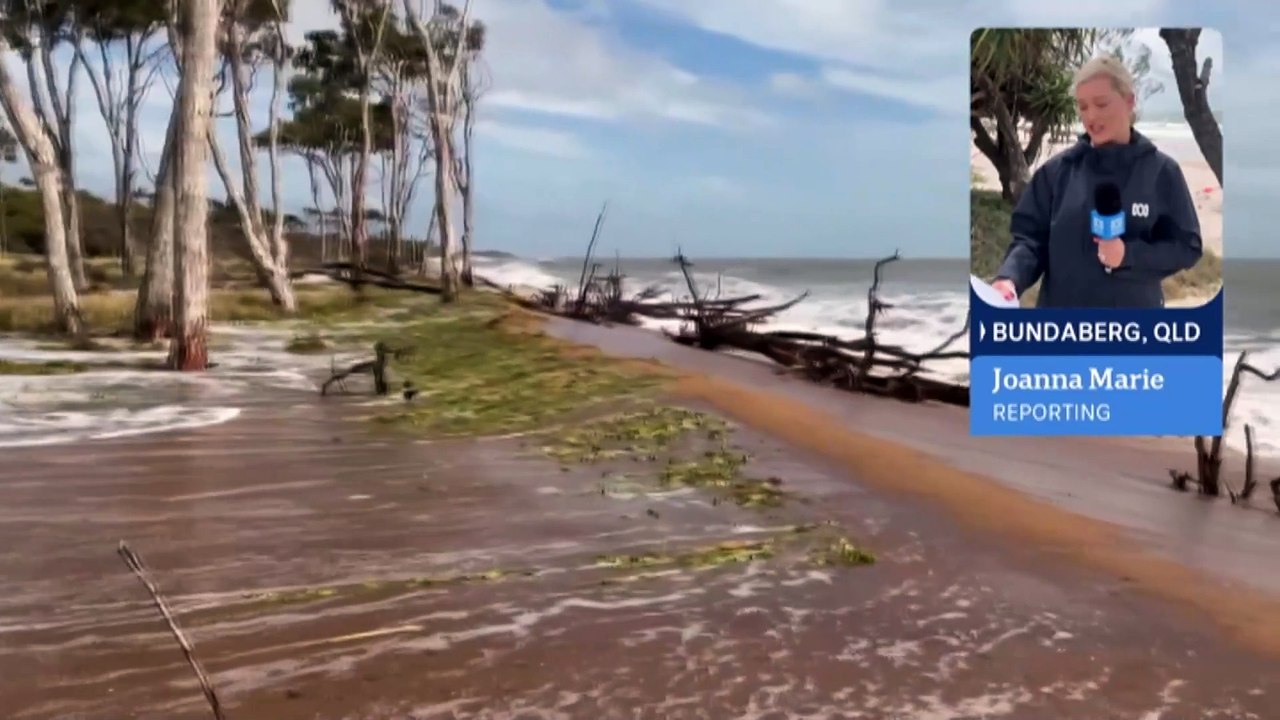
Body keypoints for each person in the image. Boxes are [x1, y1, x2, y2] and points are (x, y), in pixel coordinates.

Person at [990, 55, 1203, 308]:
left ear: (1129, 101)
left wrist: (1128, 255)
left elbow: (1186, 247)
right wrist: (1010, 278)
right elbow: (1029, 240)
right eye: (1083, 106)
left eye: (1101, 104)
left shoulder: (1162, 172)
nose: (1091, 116)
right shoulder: (1056, 173)